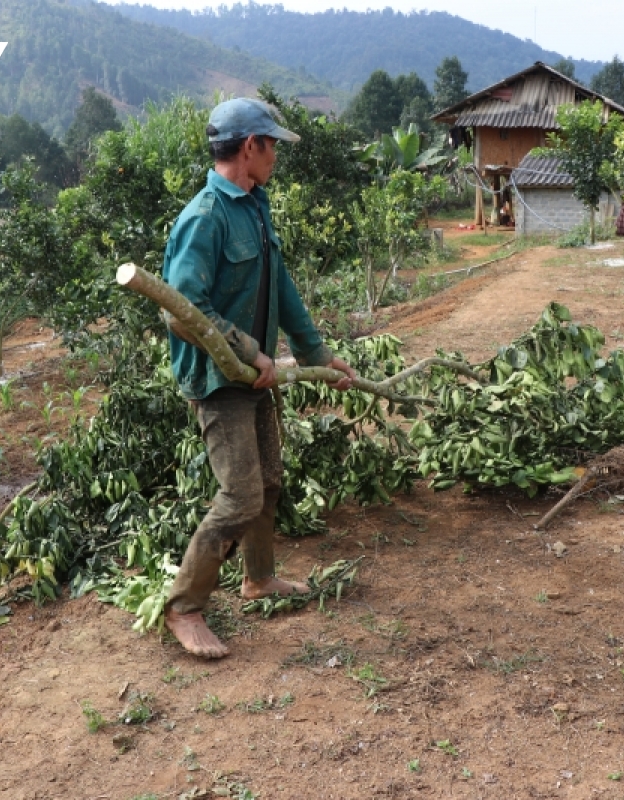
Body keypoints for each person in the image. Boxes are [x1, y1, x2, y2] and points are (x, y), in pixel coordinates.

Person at [161, 98, 357, 659]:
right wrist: (248, 349)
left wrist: (317, 352)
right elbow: (182, 309)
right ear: (251, 147)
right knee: (241, 494)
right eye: (272, 145)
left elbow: (282, 287)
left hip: (255, 378)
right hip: (220, 382)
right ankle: (185, 608)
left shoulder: (254, 205)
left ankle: (257, 578)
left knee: (269, 480)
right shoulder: (204, 217)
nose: (276, 157)